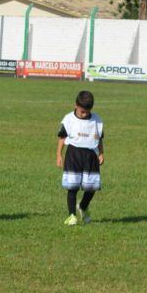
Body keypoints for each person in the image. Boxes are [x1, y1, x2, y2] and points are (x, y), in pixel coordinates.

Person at [57, 90, 105, 226]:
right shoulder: (68, 119)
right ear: (75, 106)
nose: (84, 114)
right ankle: (71, 215)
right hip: (73, 154)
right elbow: (62, 137)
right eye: (81, 111)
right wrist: (59, 155)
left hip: (90, 156)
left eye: (87, 112)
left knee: (92, 186)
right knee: (72, 186)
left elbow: (99, 138)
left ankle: (83, 206)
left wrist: (101, 153)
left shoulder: (97, 120)